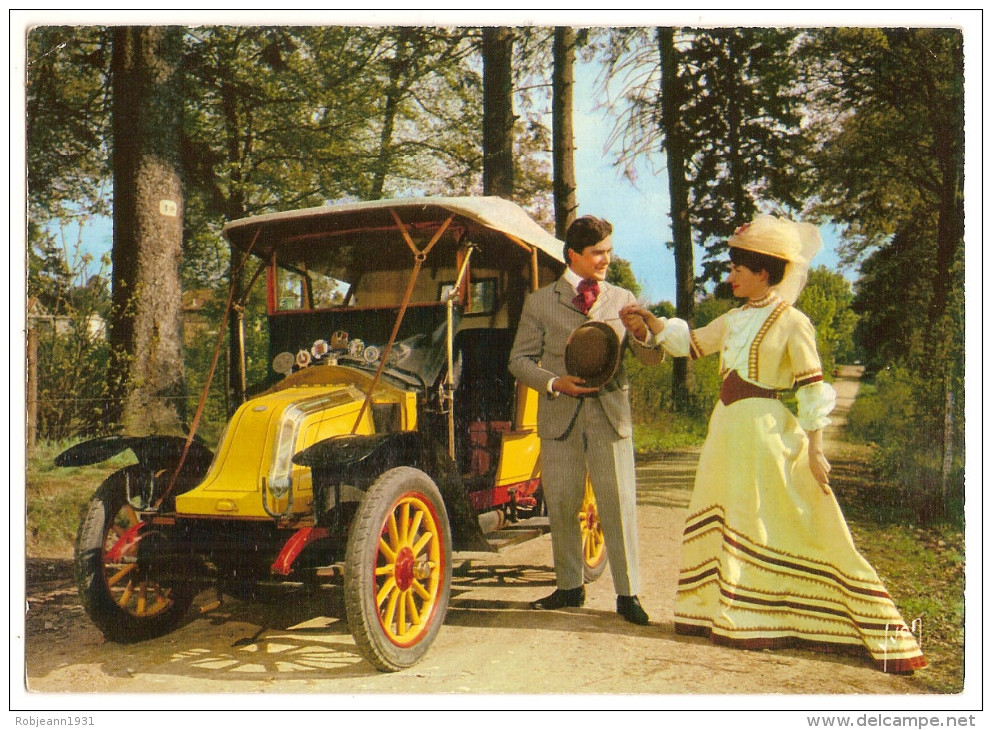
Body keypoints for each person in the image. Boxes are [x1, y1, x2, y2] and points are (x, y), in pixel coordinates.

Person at [620, 214, 926, 672]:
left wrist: (817, 449)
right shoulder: (735, 317)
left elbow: (812, 389)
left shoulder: (793, 321)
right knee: (727, 512)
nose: (731, 277)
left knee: (772, 518)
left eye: (739, 268)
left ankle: (828, 621)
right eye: (731, 267)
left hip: (765, 430)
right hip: (725, 429)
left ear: (765, 271)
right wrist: (651, 324)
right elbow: (693, 343)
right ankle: (727, 614)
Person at [508, 215, 663, 625]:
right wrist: (555, 382)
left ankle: (628, 595)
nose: (605, 260)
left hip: (610, 416)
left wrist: (645, 333)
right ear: (573, 254)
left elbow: (649, 358)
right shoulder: (540, 302)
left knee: (618, 505)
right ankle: (569, 587)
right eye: (597, 253)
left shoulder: (621, 297)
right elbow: (518, 361)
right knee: (561, 504)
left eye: (609, 252)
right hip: (560, 417)